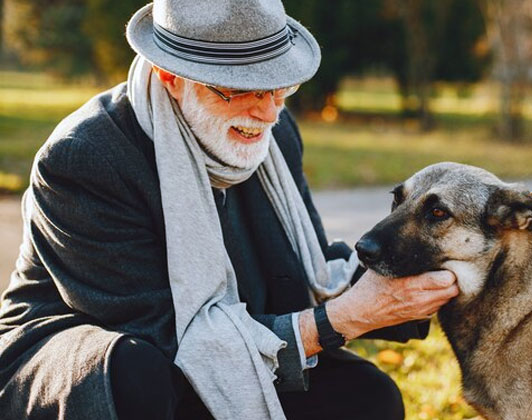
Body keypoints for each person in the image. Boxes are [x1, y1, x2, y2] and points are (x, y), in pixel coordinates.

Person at [0, 1, 459, 419]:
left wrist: (419, 277)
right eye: (241, 89)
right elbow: (166, 338)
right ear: (171, 77)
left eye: (280, 86)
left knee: (367, 396)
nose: (267, 111)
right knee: (134, 375)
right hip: (100, 356)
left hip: (235, 331)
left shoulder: (275, 134)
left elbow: (304, 272)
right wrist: (346, 317)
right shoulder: (86, 157)